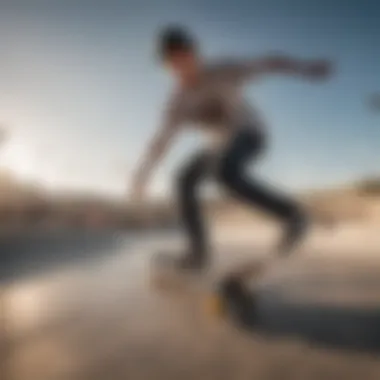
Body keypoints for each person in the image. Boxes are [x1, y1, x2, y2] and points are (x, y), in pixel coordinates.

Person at [130, 25, 332, 272]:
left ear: (195, 54)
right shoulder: (178, 102)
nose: (181, 64)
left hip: (250, 134)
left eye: (184, 55)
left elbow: (269, 62)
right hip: (219, 146)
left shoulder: (223, 70)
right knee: (183, 180)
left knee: (224, 172)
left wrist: (305, 68)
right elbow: (161, 140)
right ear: (167, 66)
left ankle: (293, 217)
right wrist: (143, 173)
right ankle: (197, 257)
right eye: (173, 61)